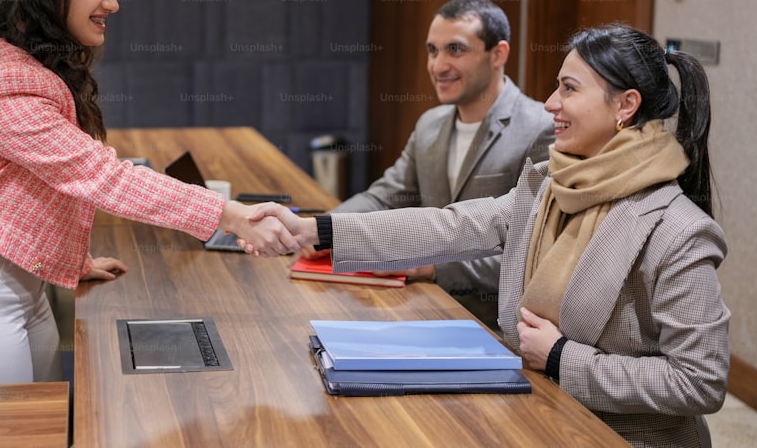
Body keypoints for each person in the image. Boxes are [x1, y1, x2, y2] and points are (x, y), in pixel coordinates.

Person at [254, 23, 730, 448]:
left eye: (568, 88)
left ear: (626, 106)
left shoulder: (679, 230)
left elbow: (701, 382)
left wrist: (565, 359)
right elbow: (448, 224)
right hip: (540, 413)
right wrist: (317, 228)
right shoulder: (549, 185)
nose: (550, 104)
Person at [0, 0, 297, 387]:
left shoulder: (22, 65)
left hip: (17, 284)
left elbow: (23, 189)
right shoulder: (4, 82)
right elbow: (102, 177)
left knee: (48, 429)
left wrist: (72, 260)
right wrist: (228, 215)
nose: (112, 2)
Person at [310, 0, 554, 330]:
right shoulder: (429, 124)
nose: (438, 66)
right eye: (432, 50)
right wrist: (320, 231)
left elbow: (538, 255)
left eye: (455, 50)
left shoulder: (542, 127)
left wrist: (432, 266)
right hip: (418, 308)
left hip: (494, 328)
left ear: (498, 54)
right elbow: (384, 197)